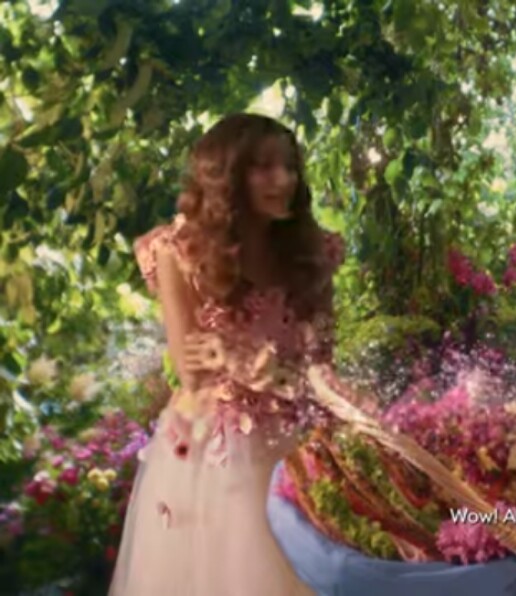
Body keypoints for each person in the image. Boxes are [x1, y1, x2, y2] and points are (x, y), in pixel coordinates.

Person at [109, 113, 345, 596]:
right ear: (227, 177)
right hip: (214, 449)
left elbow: (322, 368)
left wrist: (246, 361)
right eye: (264, 167)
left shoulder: (313, 253)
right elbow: (191, 371)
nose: (283, 180)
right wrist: (248, 365)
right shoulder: (180, 251)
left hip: (296, 440)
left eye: (289, 166)